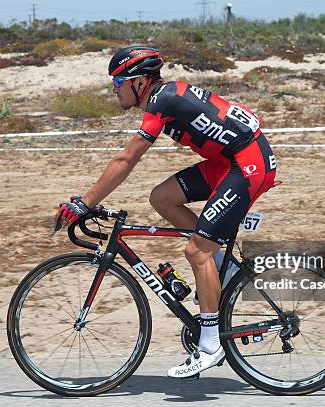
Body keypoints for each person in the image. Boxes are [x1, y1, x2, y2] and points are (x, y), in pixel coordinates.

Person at [56, 46, 277, 379]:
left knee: (196, 252)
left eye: (119, 81)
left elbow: (126, 160)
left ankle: (209, 345)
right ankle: (225, 268)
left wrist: (85, 202)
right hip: (228, 161)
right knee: (162, 198)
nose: (114, 88)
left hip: (247, 165)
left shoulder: (163, 100)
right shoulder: (164, 96)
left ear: (141, 81)